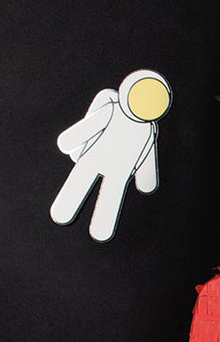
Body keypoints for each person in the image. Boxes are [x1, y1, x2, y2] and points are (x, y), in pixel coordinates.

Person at [50, 70, 171, 242]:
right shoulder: (116, 111)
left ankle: (96, 227)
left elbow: (147, 155)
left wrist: (69, 143)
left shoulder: (148, 129)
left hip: (113, 168)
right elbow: (88, 127)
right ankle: (65, 213)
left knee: (109, 195)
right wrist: (69, 142)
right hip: (99, 161)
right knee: (89, 186)